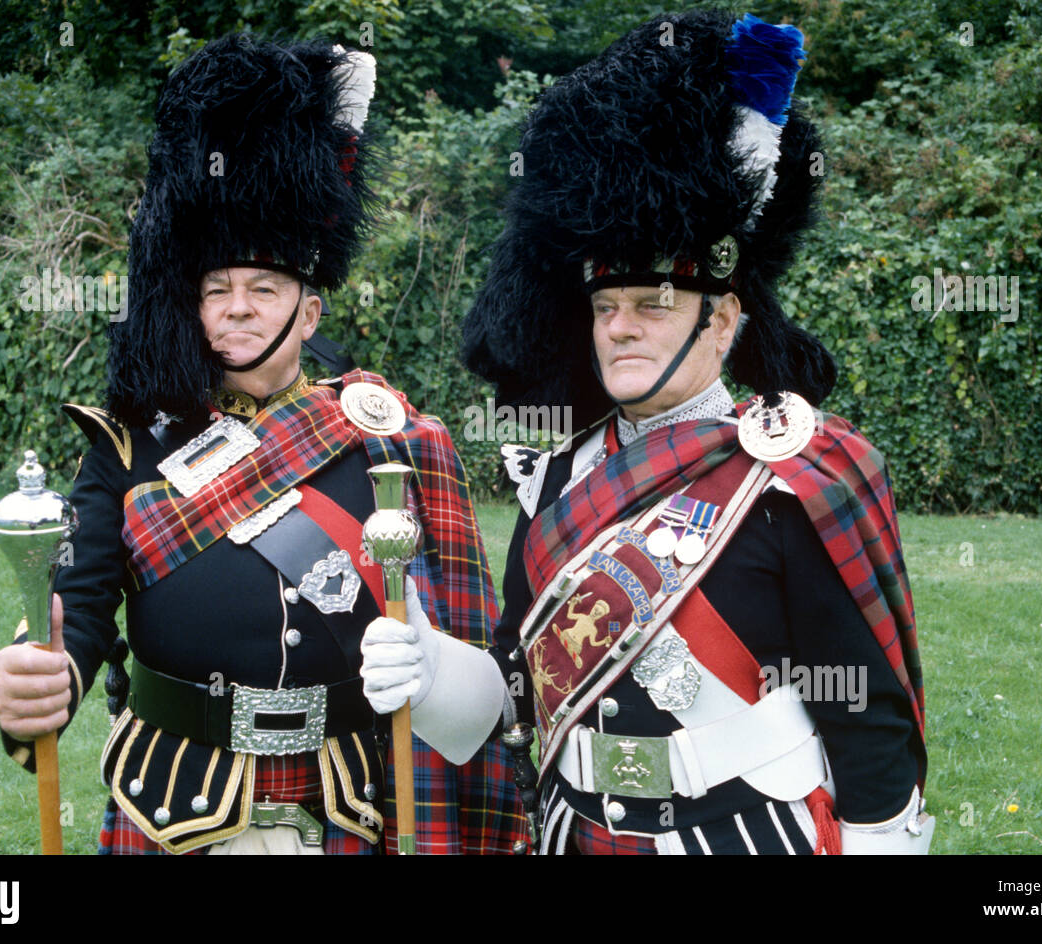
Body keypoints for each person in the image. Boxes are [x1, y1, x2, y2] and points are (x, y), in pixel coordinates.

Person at [360, 11, 931, 854]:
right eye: (605, 306)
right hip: (573, 832)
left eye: (654, 304)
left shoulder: (787, 476)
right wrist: (436, 670)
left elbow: (866, 718)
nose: (622, 327)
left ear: (725, 320)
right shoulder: (555, 479)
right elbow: (521, 692)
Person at [0, 33, 525, 855]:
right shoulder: (130, 445)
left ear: (308, 312)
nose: (237, 308)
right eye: (218, 289)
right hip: (172, 805)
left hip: (349, 802)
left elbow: (469, 652)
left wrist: (435, 663)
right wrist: (49, 676)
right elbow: (85, 606)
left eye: (264, 288)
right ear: (192, 304)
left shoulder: (386, 434)